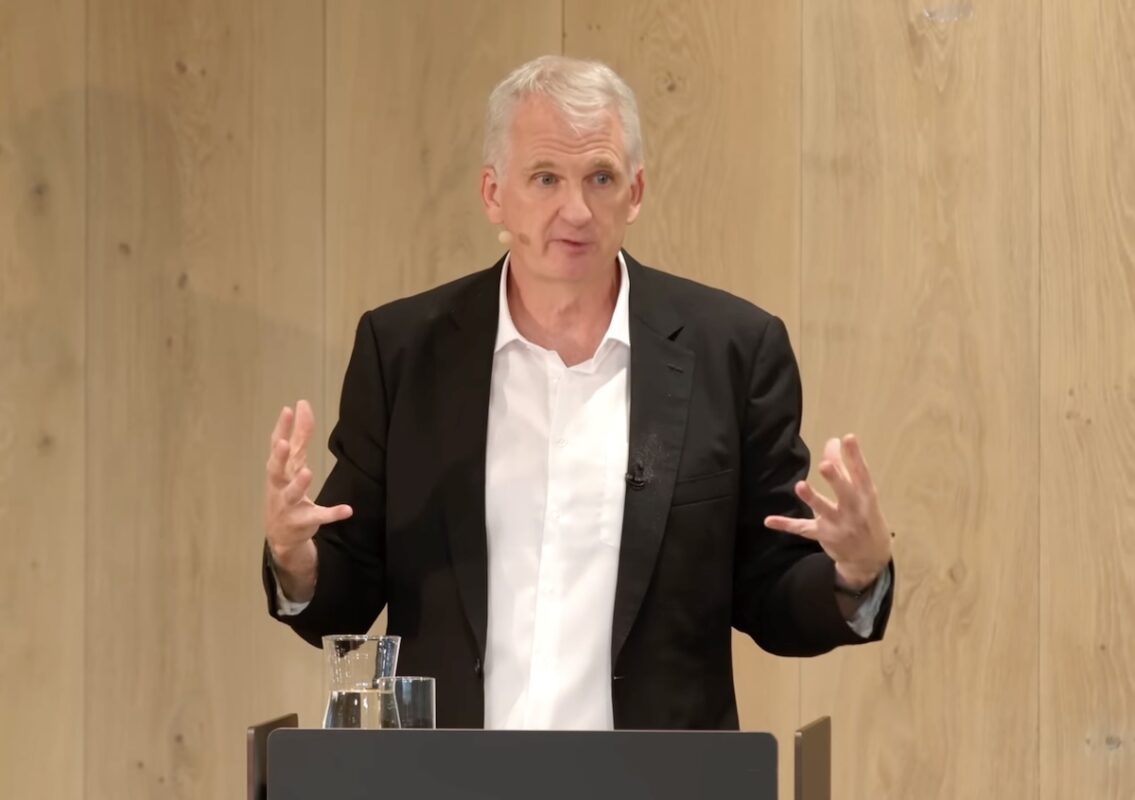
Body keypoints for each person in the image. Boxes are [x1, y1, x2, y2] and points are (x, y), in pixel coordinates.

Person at [262, 55, 894, 730]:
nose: (576, 210)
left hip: (655, 775)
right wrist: (294, 558)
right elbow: (349, 589)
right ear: (492, 194)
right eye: (545, 178)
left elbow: (771, 588)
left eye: (600, 178)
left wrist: (856, 573)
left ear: (635, 192)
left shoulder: (733, 351)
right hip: (451, 772)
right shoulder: (404, 352)